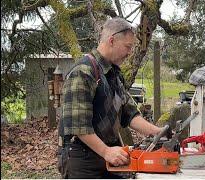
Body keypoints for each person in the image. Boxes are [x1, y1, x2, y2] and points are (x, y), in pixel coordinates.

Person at [57, 17, 164, 178]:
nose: (129, 53)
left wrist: (158, 132)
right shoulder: (83, 72)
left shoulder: (114, 73)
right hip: (82, 158)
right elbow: (78, 126)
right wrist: (106, 151)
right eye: (128, 47)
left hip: (108, 154)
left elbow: (129, 114)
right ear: (112, 40)